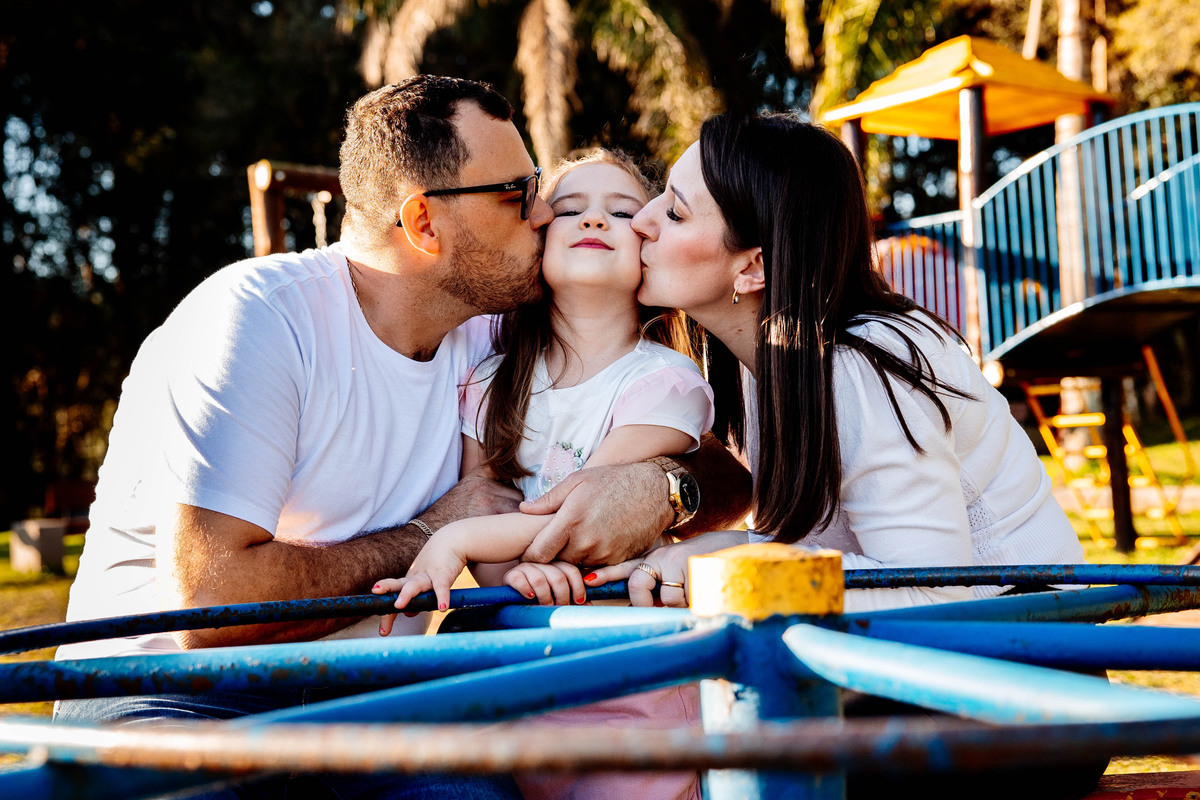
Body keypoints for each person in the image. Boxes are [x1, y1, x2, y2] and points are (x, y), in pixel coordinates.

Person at [52, 76, 748, 799]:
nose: (544, 212)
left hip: (373, 698)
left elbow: (725, 475)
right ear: (424, 225)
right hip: (168, 690)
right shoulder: (257, 322)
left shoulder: (488, 331)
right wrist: (436, 531)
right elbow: (211, 605)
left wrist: (662, 487)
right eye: (517, 194)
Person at [580, 112, 1101, 799]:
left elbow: (931, 591)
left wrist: (733, 556)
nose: (640, 222)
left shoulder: (862, 362)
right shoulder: (755, 363)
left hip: (1024, 692)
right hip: (936, 679)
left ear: (755, 265)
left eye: (673, 212)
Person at [375, 148, 711, 800]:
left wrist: (456, 543)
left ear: (645, 245)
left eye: (621, 211)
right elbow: (485, 499)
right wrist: (512, 573)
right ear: (538, 241)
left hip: (625, 662)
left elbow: (571, 512)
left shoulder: (665, 383)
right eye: (569, 209)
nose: (596, 221)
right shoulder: (490, 380)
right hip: (520, 659)